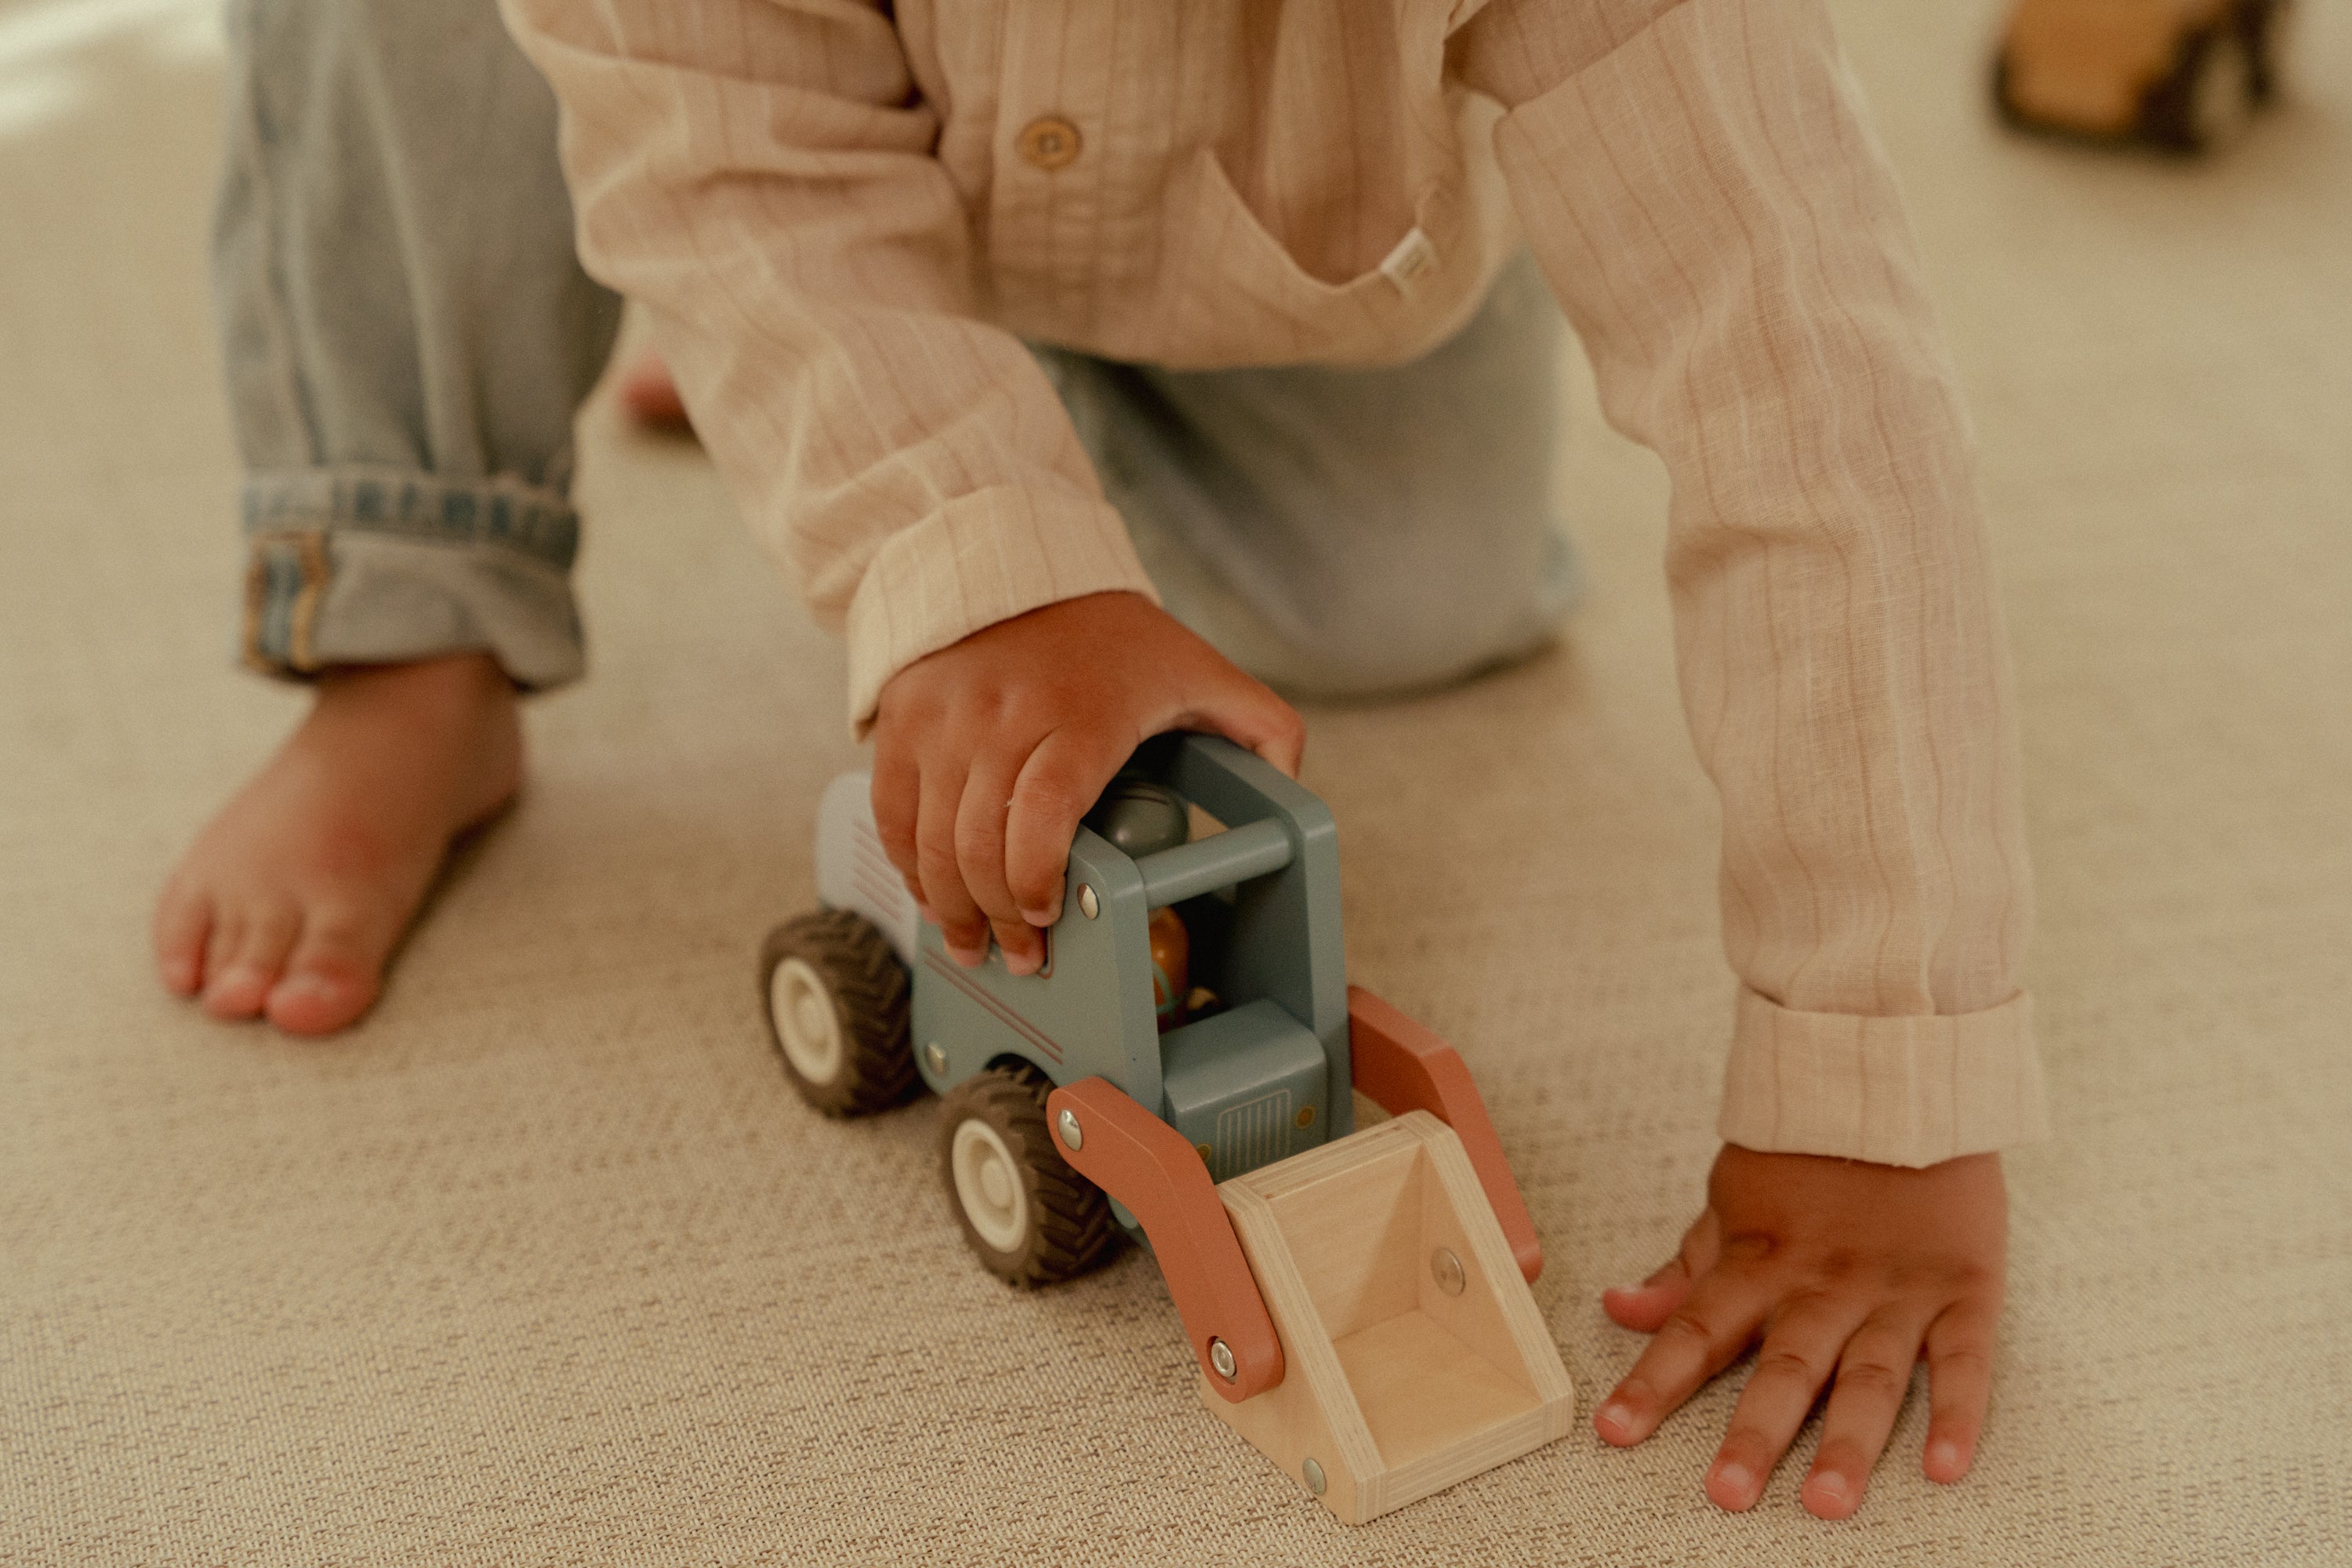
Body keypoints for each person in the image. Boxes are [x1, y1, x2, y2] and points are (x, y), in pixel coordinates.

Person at [160, 0, 2045, 1522]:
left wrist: (1871, 1081)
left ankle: (900, 356)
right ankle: (413, 608)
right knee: (507, 85)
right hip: (726, 74)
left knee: (1403, 602)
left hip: (1260, 222)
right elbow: (719, 149)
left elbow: (1815, 392)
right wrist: (955, 539)